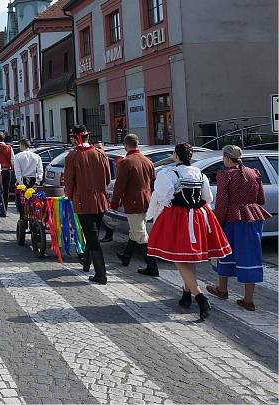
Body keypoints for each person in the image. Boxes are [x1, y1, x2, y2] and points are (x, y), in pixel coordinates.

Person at [146, 143, 231, 320]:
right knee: (188, 257)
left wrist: (156, 214)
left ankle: (200, 298)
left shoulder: (168, 174)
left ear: (176, 156)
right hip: (200, 215)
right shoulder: (199, 173)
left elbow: (163, 197)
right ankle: (186, 295)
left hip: (179, 217)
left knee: (180, 258)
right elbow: (208, 198)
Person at [207, 145, 271, 312]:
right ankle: (248, 300)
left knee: (225, 252)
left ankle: (222, 289)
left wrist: (218, 222)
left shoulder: (225, 175)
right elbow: (261, 199)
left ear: (227, 158)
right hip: (253, 217)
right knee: (251, 256)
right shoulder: (254, 172)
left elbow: (222, 203)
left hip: (232, 218)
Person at [64, 125, 111, 285]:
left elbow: (69, 181)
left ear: (75, 138)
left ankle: (101, 274)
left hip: (83, 201)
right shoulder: (100, 153)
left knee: (92, 238)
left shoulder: (72, 156)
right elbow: (107, 179)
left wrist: (68, 195)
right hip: (100, 200)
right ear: (87, 137)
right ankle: (87, 264)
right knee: (94, 234)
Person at [111, 134, 158, 276]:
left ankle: (152, 266)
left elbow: (120, 186)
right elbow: (153, 182)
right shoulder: (148, 161)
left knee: (140, 233)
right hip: (147, 200)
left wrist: (114, 202)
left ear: (126, 145)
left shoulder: (127, 162)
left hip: (133, 201)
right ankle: (126, 256)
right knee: (135, 230)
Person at [12, 138, 43, 213]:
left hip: (23, 180)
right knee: (33, 201)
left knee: (22, 202)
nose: (19, 147)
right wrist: (38, 182)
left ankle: (23, 218)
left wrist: (21, 184)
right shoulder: (37, 156)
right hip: (33, 180)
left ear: (22, 145)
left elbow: (18, 172)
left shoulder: (18, 156)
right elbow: (40, 170)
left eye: (20, 145)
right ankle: (33, 218)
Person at [0, 132, 14, 217]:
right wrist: (12, 169)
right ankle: (5, 210)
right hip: (7, 171)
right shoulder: (9, 147)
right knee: (6, 191)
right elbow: (12, 160)